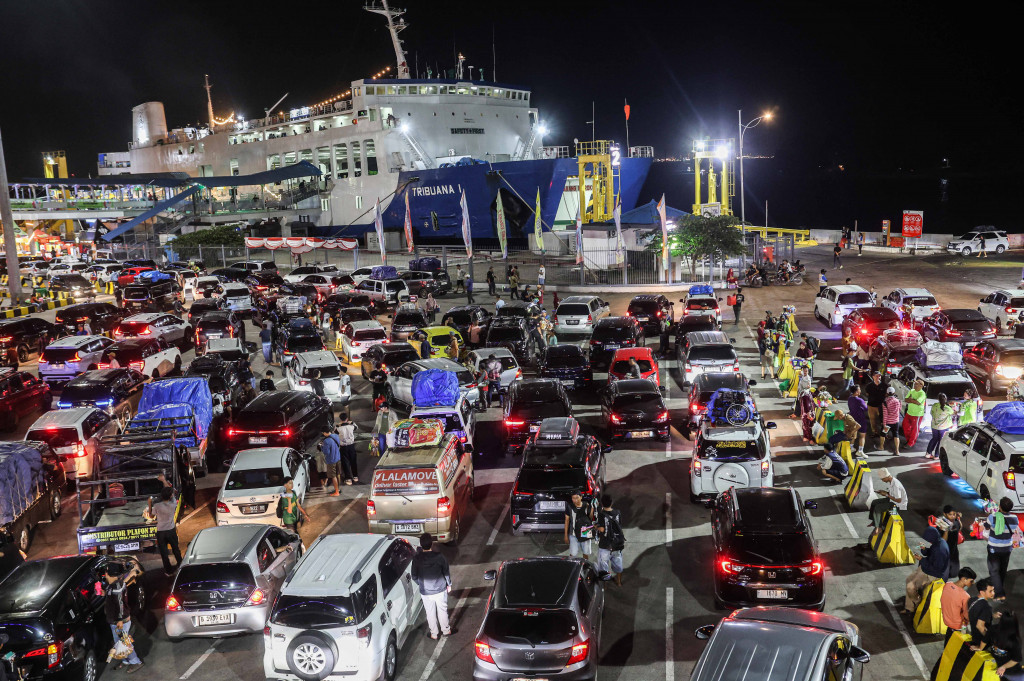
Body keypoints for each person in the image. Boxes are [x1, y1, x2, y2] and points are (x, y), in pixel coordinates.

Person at [102, 563, 144, 673]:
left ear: (109, 574)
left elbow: (120, 605)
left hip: (120, 621)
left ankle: (136, 662)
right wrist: (104, 593)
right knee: (119, 643)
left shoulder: (117, 587)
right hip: (115, 621)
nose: (105, 574)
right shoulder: (112, 584)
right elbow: (110, 595)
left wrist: (120, 620)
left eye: (106, 572)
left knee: (125, 643)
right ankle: (126, 661)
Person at [410, 533, 453, 640]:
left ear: (421, 545)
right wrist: (449, 584)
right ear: (432, 544)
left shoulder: (417, 559)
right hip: (440, 588)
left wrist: (421, 584)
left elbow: (414, 576)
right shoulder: (439, 557)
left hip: (426, 591)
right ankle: (446, 630)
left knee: (430, 613)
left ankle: (434, 634)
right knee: (442, 610)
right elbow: (446, 572)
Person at [905, 525, 949, 613]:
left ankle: (918, 602)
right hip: (926, 568)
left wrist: (922, 560)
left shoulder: (940, 550)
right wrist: (924, 549)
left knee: (910, 587)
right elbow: (931, 554)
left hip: (932, 574)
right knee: (908, 579)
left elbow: (936, 569)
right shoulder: (938, 542)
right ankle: (909, 608)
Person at [984, 497, 1019, 600]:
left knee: (994, 571)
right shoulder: (1015, 518)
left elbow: (986, 526)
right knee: (1002, 570)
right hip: (1007, 548)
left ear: (999, 506)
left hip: (994, 549)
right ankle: (998, 587)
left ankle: (999, 594)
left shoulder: (993, 517)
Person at [940, 567, 977, 645]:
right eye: (972, 580)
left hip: (946, 620)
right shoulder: (965, 596)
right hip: (958, 625)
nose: (973, 583)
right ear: (964, 579)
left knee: (947, 643)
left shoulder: (947, 584)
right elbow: (966, 615)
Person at [151, 487, 181, 576]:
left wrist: (149, 504)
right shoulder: (173, 503)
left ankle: (168, 571)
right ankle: (181, 566)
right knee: (176, 550)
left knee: (164, 553)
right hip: (171, 530)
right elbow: (170, 491)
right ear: (171, 496)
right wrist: (164, 480)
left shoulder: (157, 506)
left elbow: (151, 516)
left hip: (161, 532)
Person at [596, 494, 625, 585]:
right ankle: (619, 582)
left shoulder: (601, 514)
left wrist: (595, 526)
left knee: (603, 566)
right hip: (617, 543)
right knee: (618, 563)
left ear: (602, 503)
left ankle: (605, 585)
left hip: (605, 544)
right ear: (612, 503)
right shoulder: (618, 512)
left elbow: (602, 529)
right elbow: (619, 525)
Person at [869, 468, 908, 533]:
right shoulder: (891, 481)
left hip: (898, 505)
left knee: (878, 508)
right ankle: (874, 521)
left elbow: (898, 500)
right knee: (874, 502)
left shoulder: (896, 485)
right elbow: (892, 494)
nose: (882, 480)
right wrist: (884, 492)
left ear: (886, 477)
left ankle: (879, 528)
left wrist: (887, 495)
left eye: (882, 479)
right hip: (893, 500)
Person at [988, 611, 1022, 679]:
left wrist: (979, 648)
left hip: (996, 667)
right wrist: (1003, 667)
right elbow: (1016, 659)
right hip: (1010, 671)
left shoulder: (993, 628)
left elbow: (985, 639)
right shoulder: (1015, 640)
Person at [564, 491, 594, 560]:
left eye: (577, 498)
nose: (575, 500)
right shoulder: (569, 507)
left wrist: (592, 510)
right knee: (573, 553)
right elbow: (567, 521)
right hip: (573, 533)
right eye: (573, 498)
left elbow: (590, 518)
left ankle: (585, 566)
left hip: (585, 530)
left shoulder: (586, 505)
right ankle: (572, 565)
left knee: (586, 552)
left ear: (581, 497)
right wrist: (566, 535)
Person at [968, 578, 997, 650]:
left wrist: (992, 615)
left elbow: (977, 614)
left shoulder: (972, 600)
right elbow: (980, 626)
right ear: (982, 592)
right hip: (981, 640)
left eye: (993, 590)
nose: (993, 593)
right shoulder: (986, 607)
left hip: (973, 635)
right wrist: (990, 640)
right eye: (990, 591)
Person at [926, 392, 955, 459]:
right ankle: (936, 455)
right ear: (946, 399)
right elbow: (953, 413)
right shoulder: (948, 408)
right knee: (941, 440)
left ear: (938, 399)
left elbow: (931, 413)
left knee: (934, 439)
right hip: (943, 427)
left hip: (934, 426)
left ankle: (928, 453)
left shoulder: (934, 405)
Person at [940, 505, 964, 579]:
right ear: (945, 514)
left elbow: (959, 528)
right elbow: (943, 540)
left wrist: (959, 519)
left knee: (954, 573)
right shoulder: (942, 524)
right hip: (945, 549)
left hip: (954, 549)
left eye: (954, 514)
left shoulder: (955, 521)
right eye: (950, 514)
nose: (952, 516)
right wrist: (946, 530)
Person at [865, 372, 887, 448]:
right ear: (873, 377)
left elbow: (886, 395)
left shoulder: (884, 386)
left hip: (881, 406)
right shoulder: (869, 386)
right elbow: (867, 394)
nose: (878, 377)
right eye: (876, 376)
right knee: (873, 420)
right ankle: (875, 432)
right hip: (871, 405)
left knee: (883, 420)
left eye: (879, 376)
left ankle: (884, 433)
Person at [903, 379, 926, 449]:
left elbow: (918, 402)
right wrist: (913, 400)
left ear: (921, 386)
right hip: (909, 412)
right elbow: (906, 399)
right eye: (915, 384)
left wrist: (910, 400)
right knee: (905, 425)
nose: (915, 385)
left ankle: (910, 443)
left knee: (915, 429)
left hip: (917, 414)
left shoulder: (922, 393)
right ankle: (909, 440)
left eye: (916, 384)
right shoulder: (911, 391)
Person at [847, 385, 869, 456]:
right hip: (860, 418)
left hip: (853, 418)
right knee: (862, 435)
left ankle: (851, 447)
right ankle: (860, 451)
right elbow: (866, 409)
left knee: (854, 433)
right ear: (856, 392)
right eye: (859, 390)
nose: (860, 391)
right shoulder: (860, 400)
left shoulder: (850, 398)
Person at [320, 426, 343, 494]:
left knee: (333, 476)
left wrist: (321, 447)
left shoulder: (326, 441)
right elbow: (338, 444)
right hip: (338, 458)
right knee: (338, 474)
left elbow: (326, 452)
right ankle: (338, 489)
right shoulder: (336, 436)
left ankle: (336, 492)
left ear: (324, 433)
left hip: (331, 460)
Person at [337, 413, 359, 485]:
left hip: (343, 447)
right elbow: (356, 427)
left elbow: (335, 431)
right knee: (353, 461)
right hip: (351, 446)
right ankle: (355, 476)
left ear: (340, 419)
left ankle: (348, 478)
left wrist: (339, 424)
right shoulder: (351, 426)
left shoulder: (338, 428)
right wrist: (351, 422)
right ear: (347, 419)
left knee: (345, 463)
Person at [881, 387, 902, 455]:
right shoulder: (898, 401)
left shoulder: (885, 402)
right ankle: (897, 451)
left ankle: (881, 447)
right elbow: (899, 410)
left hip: (888, 423)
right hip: (896, 421)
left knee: (883, 434)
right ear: (894, 393)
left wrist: (884, 424)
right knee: (896, 435)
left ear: (887, 393)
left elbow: (885, 414)